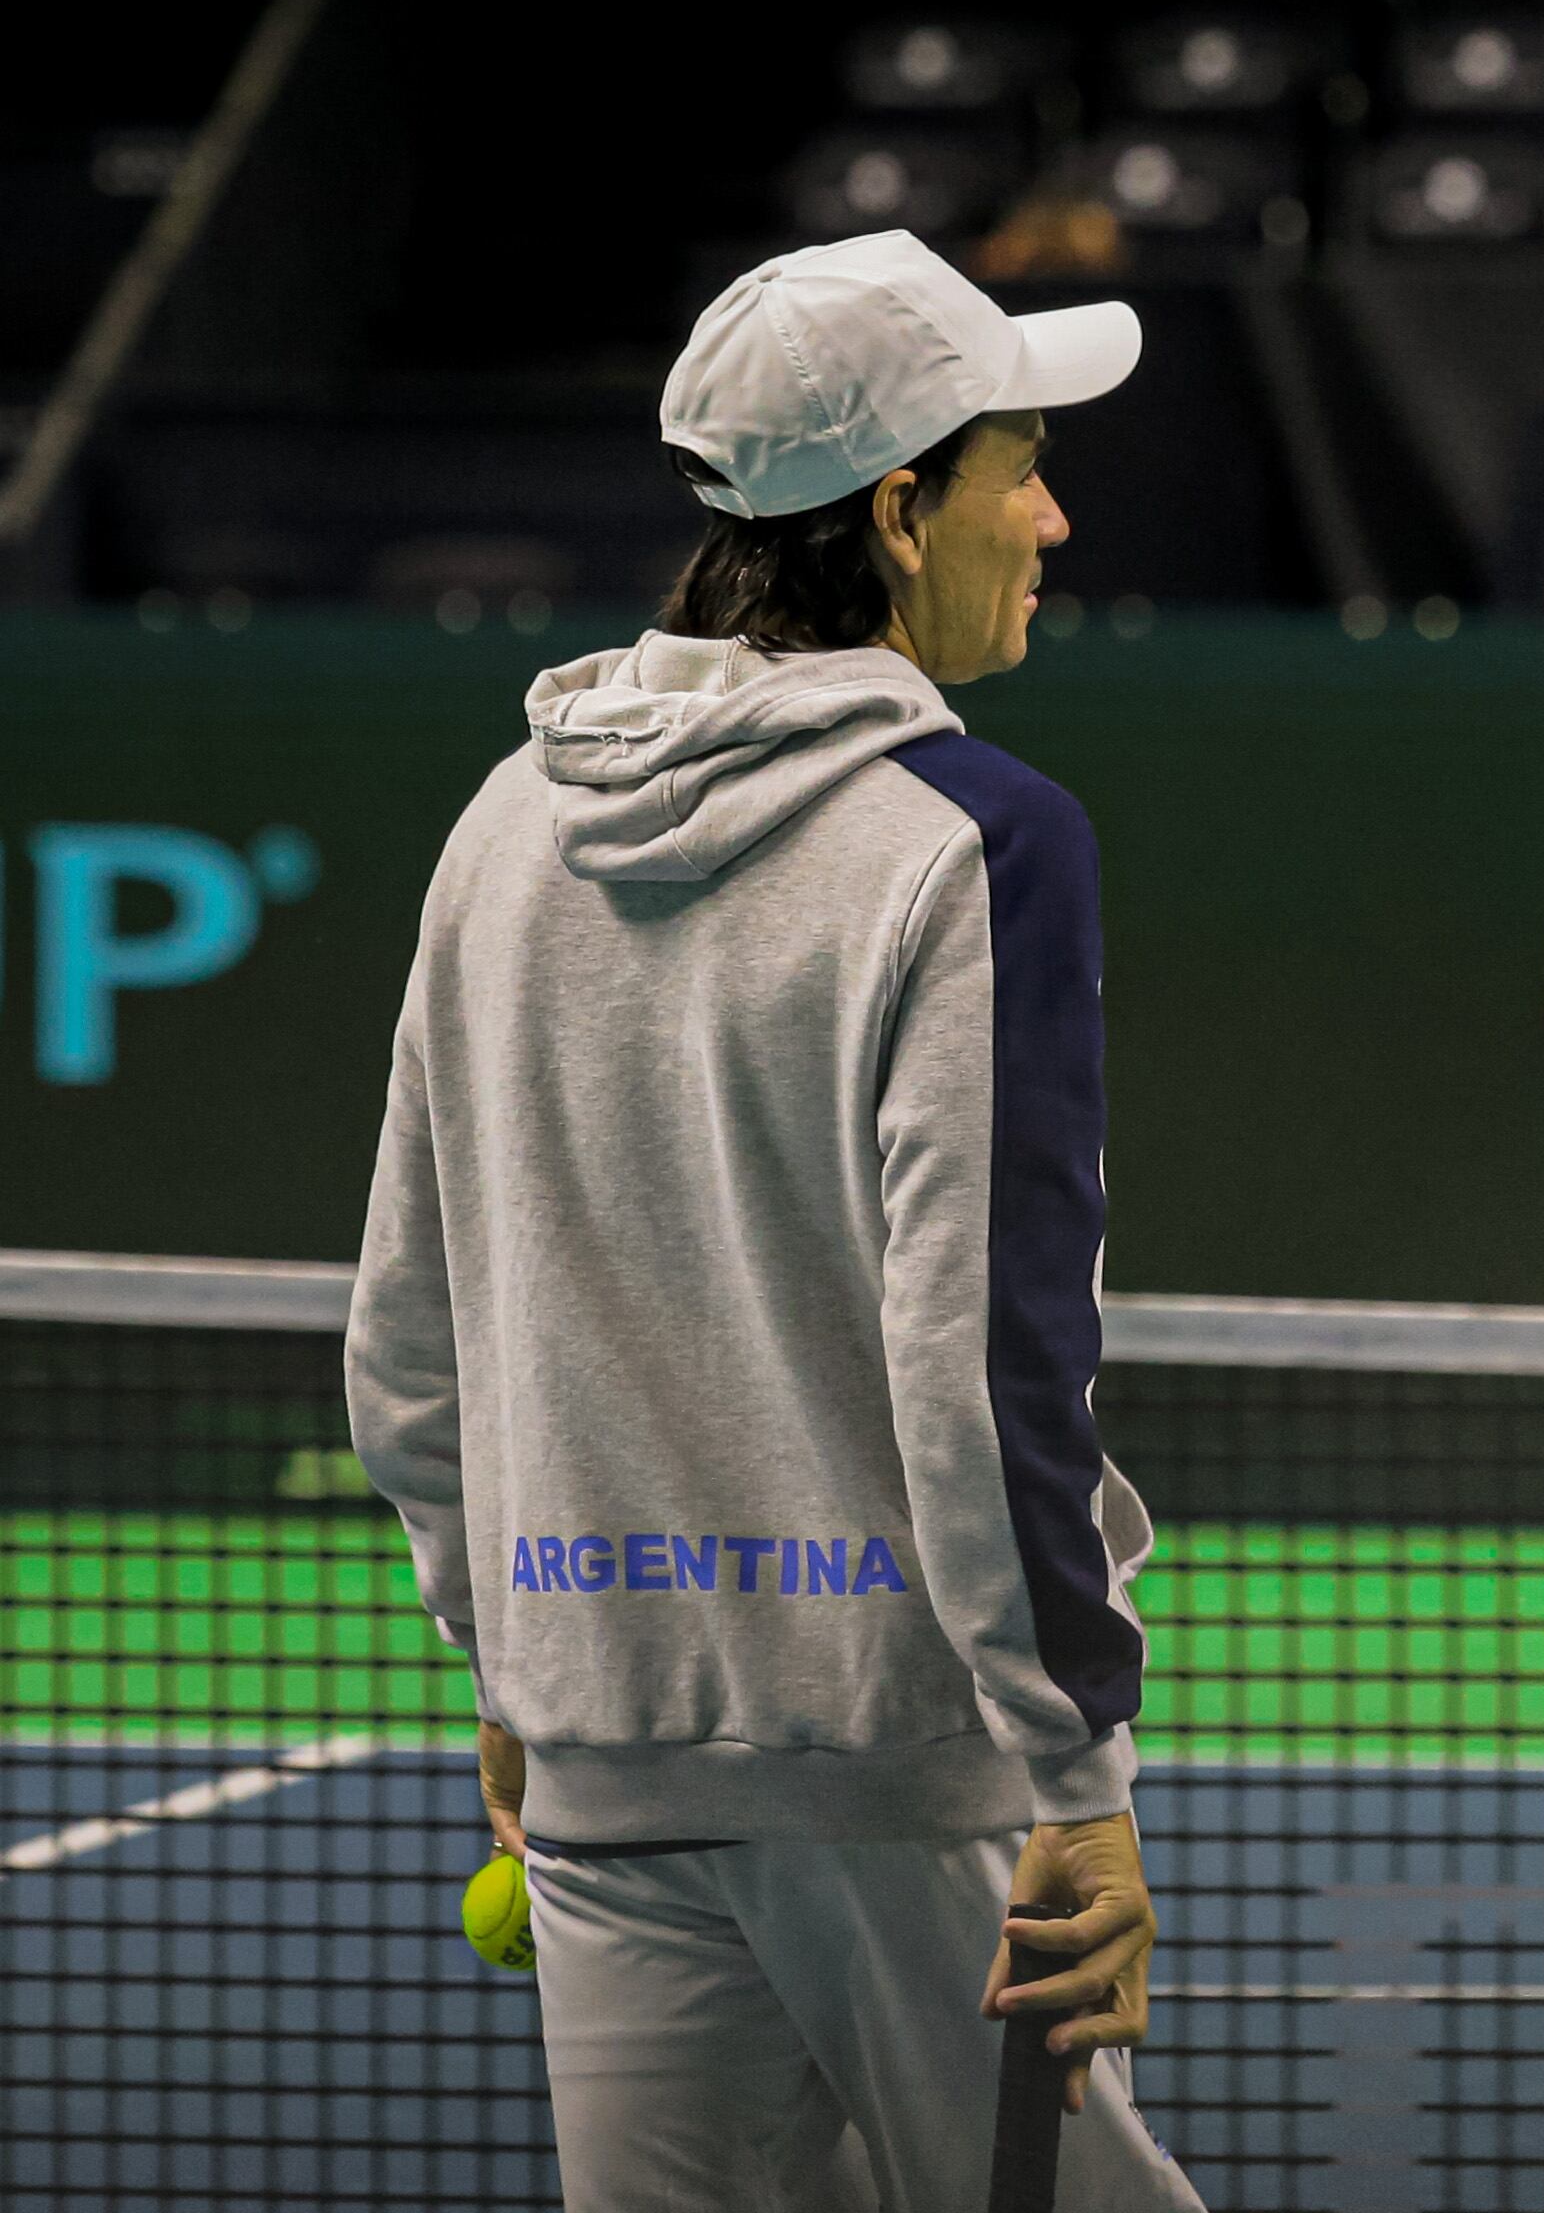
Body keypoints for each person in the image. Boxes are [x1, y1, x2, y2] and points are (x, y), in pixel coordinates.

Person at [348, 230, 1203, 2212]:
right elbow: (986, 1366)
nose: (1057, 517)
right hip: (901, 1775)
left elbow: (411, 1346)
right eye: (1021, 469)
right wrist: (1073, 1771)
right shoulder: (978, 842)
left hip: (598, 1749)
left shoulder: (502, 825)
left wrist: (512, 1665)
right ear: (902, 511)